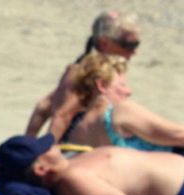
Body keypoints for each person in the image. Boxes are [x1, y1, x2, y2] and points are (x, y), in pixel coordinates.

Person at [0, 133, 184, 195]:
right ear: (41, 169)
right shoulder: (74, 182)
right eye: (46, 148)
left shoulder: (70, 163)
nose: (53, 145)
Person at [26, 10, 142, 137]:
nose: (134, 52)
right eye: (130, 45)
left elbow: (45, 104)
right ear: (104, 43)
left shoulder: (107, 69)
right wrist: (37, 147)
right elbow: (61, 114)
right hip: (78, 149)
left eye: (137, 44)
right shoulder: (82, 71)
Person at [56, 51, 184, 152]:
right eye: (122, 85)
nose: (129, 91)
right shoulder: (121, 112)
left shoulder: (73, 130)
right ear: (101, 85)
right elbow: (177, 134)